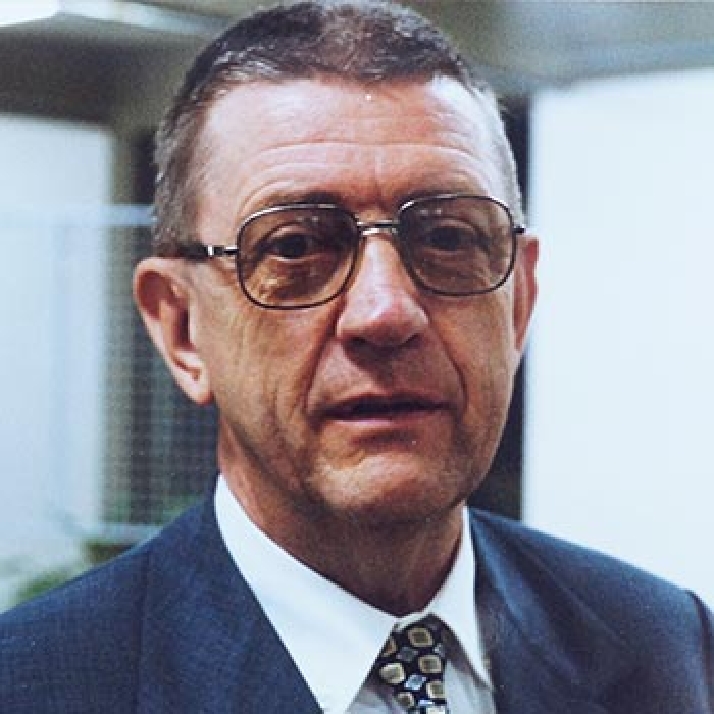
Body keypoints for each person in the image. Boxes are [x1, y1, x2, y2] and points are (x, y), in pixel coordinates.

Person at [1, 1, 712, 712]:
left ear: (518, 303)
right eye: (295, 246)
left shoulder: (665, 645)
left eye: (448, 238)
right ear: (183, 329)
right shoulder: (37, 686)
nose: (386, 313)